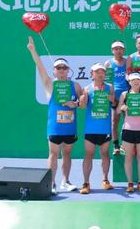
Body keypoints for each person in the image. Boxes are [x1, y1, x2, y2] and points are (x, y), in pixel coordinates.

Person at [26, 37, 81, 194]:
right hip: (55, 127)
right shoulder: (49, 84)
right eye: (58, 68)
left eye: (64, 67)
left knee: (67, 154)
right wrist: (33, 51)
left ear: (68, 70)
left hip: (70, 127)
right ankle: (51, 183)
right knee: (53, 154)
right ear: (54, 71)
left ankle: (65, 181)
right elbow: (40, 66)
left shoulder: (75, 85)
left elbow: (83, 103)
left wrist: (75, 104)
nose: (62, 70)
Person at [78, 63, 116, 195]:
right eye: (97, 72)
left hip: (105, 129)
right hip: (91, 129)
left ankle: (105, 180)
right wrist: (83, 100)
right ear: (92, 74)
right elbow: (82, 107)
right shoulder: (87, 89)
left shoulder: (110, 87)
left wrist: (111, 98)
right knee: (88, 154)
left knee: (105, 154)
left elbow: (114, 103)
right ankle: (86, 183)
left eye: (102, 72)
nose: (100, 74)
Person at [116, 73, 140, 193]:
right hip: (128, 129)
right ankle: (130, 183)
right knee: (129, 156)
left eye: (138, 79)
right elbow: (117, 111)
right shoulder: (124, 95)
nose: (136, 81)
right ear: (129, 82)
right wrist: (122, 107)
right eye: (133, 80)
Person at [105, 41, 129, 155]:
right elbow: (106, 82)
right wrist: (112, 97)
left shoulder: (128, 62)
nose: (118, 51)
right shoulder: (108, 64)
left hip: (127, 96)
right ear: (112, 50)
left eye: (120, 48)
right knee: (114, 121)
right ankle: (116, 146)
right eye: (116, 49)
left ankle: (125, 144)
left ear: (123, 50)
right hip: (114, 97)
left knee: (128, 121)